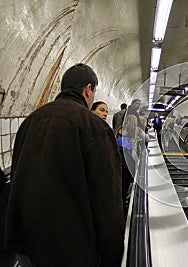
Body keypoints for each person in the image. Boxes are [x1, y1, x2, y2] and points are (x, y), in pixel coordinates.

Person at [4, 63, 124, 267]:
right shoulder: (94, 128)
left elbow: (17, 177)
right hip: (68, 249)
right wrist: (112, 255)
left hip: (26, 243)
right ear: (89, 89)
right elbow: (107, 199)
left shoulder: (30, 121)